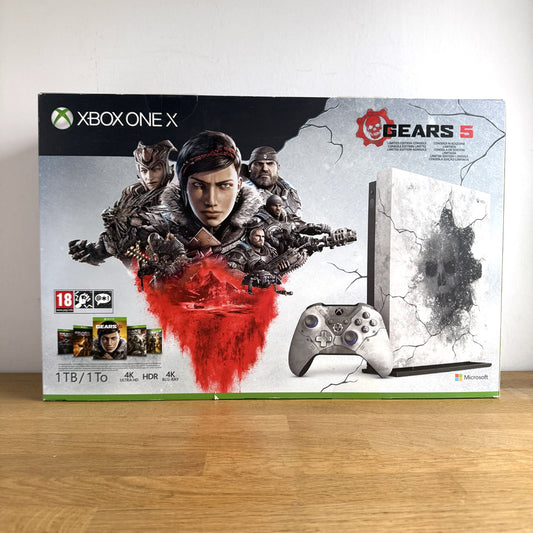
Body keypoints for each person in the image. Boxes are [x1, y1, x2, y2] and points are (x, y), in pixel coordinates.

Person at [69, 140, 176, 267]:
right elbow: (117, 235)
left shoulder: (180, 193)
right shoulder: (133, 194)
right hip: (143, 265)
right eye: (144, 171)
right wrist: (97, 252)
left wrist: (142, 222)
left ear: (166, 168)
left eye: (156, 169)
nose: (149, 177)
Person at [158, 131, 262, 254]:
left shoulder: (261, 229)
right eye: (199, 185)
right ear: (183, 185)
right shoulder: (160, 232)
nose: (211, 201)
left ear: (238, 185)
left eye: (225, 185)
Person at [246, 146, 302, 218]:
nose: (265, 169)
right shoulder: (237, 192)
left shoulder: (291, 195)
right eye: (259, 164)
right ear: (249, 168)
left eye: (270, 163)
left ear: (278, 168)